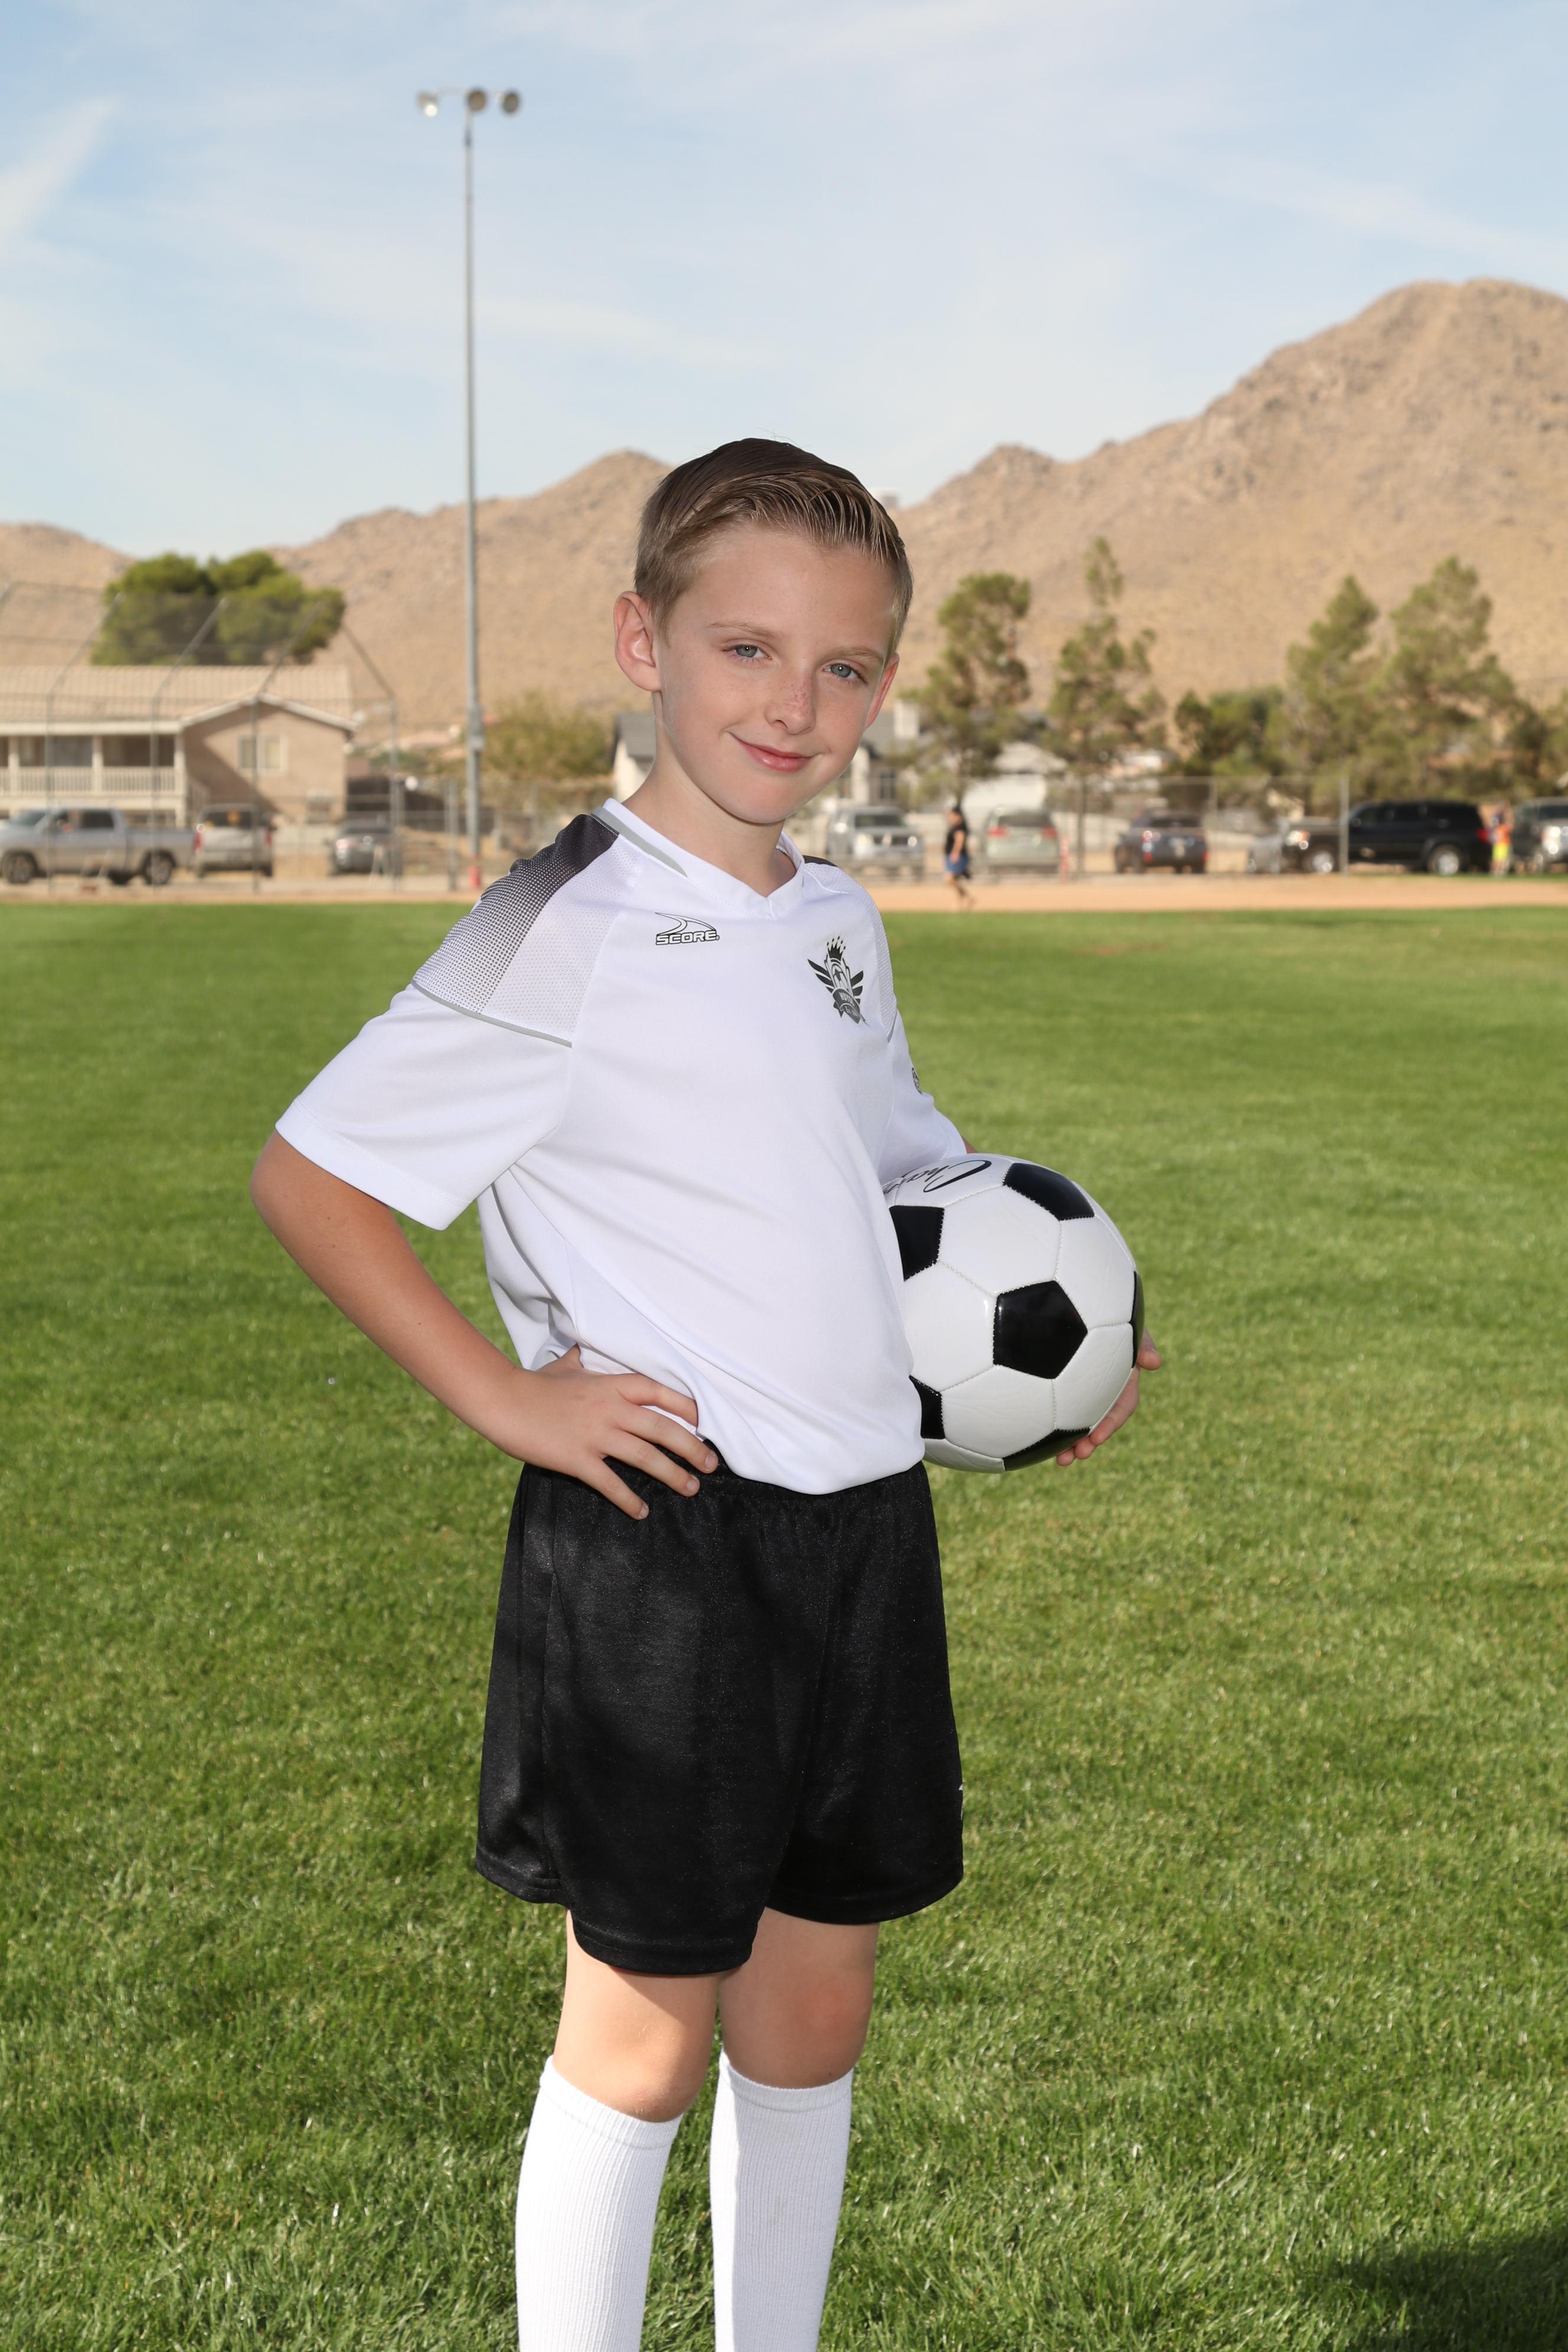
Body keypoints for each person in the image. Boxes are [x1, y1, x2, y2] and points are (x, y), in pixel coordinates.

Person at [250, 440, 1159, 2352]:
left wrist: (1075, 1330)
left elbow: (896, 1160)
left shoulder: (833, 917)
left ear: (883, 682)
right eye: (747, 648)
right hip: (663, 1538)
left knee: (814, 2011)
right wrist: (509, 1399)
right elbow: (313, 1176)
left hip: (863, 1523)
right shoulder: (559, 922)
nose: (793, 703)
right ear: (641, 641)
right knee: (645, 2034)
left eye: (844, 666)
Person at [943, 798, 973, 904]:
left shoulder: (960, 828)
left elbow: (959, 841)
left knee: (949, 879)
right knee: (955, 880)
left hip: (958, 857)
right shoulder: (955, 827)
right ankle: (961, 904)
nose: (950, 818)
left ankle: (968, 897)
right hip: (953, 856)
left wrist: (955, 854)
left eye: (952, 815)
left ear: (958, 815)